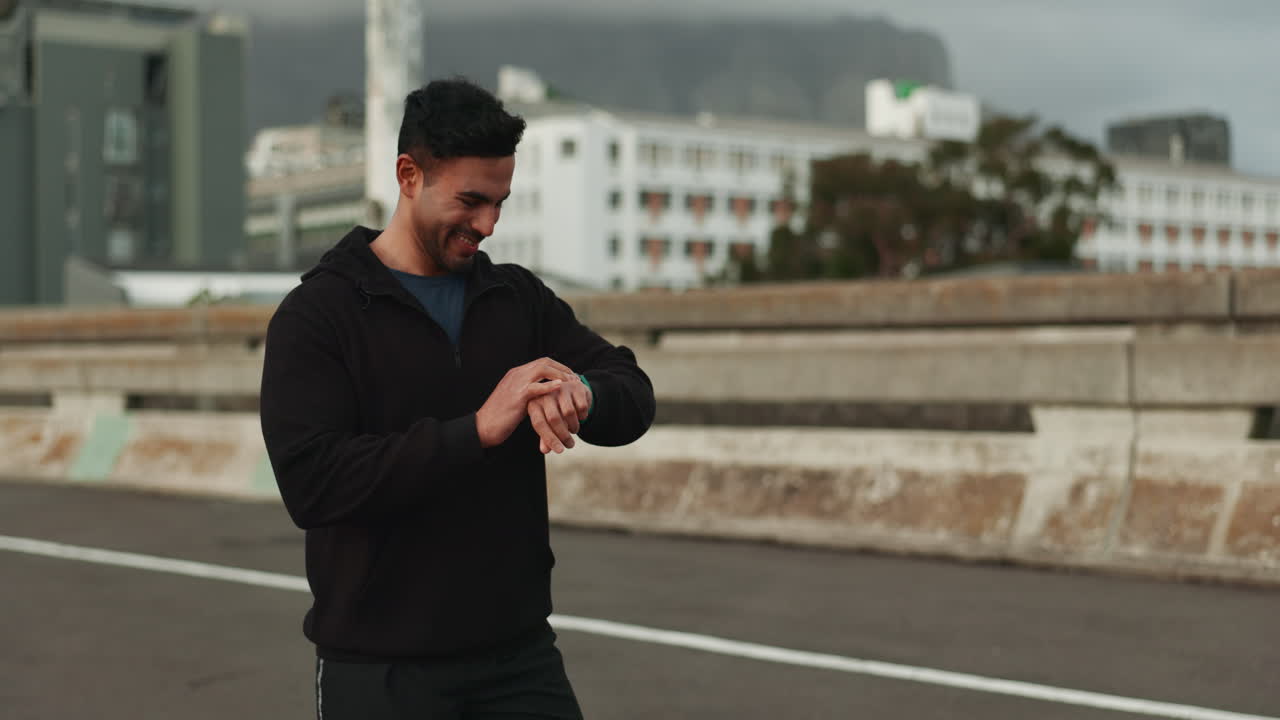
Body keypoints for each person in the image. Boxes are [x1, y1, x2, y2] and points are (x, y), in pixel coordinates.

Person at [259, 78, 656, 719]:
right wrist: (475, 430)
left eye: (499, 202)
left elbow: (631, 387)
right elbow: (314, 484)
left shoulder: (517, 298)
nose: (488, 224)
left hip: (520, 658)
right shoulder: (318, 316)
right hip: (381, 668)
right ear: (408, 175)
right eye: (471, 201)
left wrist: (582, 392)